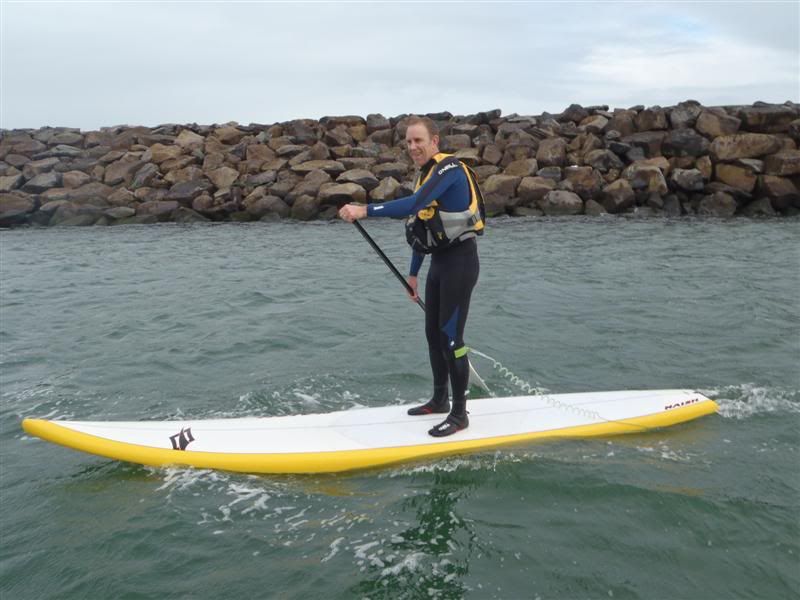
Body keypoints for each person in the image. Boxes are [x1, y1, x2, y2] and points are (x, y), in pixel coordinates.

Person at [338, 116, 484, 437]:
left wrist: (365, 210)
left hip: (460, 263)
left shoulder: (449, 169)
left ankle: (460, 415)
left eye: (418, 140)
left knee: (451, 339)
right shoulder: (425, 175)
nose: (413, 147)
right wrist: (414, 273)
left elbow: (414, 204)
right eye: (408, 142)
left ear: (434, 141)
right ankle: (440, 399)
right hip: (440, 264)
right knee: (433, 334)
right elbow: (423, 226)